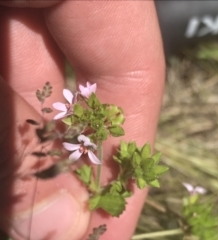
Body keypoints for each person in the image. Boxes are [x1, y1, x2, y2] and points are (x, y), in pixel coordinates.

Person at [0, 1, 165, 239]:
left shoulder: (91, 140)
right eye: (84, 146)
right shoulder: (82, 126)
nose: (84, 147)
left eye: (85, 146)